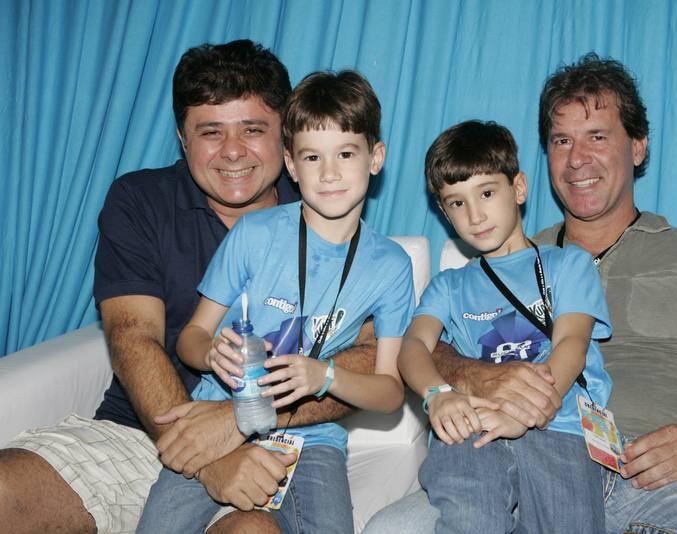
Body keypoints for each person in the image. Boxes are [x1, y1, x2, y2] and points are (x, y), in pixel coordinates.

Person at [365, 53, 677, 533]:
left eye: (597, 137)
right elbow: (423, 346)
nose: (577, 159)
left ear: (638, 147)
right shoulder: (491, 264)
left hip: (659, 484)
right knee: (392, 529)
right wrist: (472, 378)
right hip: (508, 462)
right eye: (562, 141)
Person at [0, 40, 379, 533]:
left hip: (274, 441)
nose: (233, 151)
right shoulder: (140, 200)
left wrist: (240, 419)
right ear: (182, 138)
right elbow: (134, 336)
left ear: (285, 138)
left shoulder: (328, 211)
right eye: (210, 132)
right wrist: (204, 457)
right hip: (145, 429)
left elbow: (369, 360)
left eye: (252, 129)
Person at [136, 68, 415, 534]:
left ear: (376, 157)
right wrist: (210, 353)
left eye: (346, 153)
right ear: (291, 164)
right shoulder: (254, 234)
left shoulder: (391, 265)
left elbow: (390, 393)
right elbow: (191, 337)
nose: (329, 173)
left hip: (312, 437)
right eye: (312, 156)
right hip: (216, 415)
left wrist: (325, 375)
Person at [398, 120, 611, 533]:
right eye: (457, 203)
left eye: (487, 193)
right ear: (443, 212)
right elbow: (412, 348)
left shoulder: (568, 264)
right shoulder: (448, 286)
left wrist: (522, 412)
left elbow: (572, 344)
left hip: (558, 425)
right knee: (470, 517)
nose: (475, 215)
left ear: (519, 188)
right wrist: (437, 395)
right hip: (472, 425)